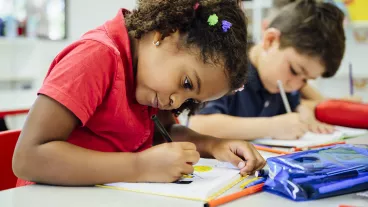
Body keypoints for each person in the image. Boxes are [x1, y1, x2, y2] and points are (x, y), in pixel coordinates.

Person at [12, 0, 265, 186]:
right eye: (187, 83)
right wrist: (140, 166)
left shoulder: (147, 78)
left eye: (190, 100)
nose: (176, 101)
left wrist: (215, 145)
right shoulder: (95, 56)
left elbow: (161, 133)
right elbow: (28, 157)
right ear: (165, 34)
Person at [190, 0, 346, 140]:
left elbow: (296, 104)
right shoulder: (227, 67)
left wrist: (303, 112)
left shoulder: (282, 83)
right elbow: (199, 125)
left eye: (306, 79)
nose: (296, 85)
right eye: (294, 70)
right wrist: (272, 126)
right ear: (270, 41)